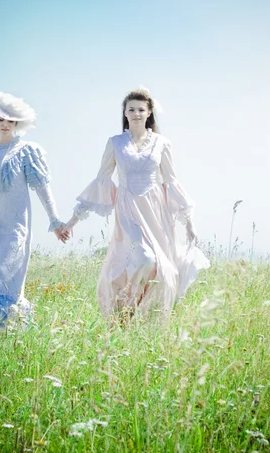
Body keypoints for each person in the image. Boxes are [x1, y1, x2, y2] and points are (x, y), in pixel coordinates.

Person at [64, 88, 210, 319]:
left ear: (149, 112)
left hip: (156, 212)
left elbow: (171, 182)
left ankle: (140, 314)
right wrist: (72, 221)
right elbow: (101, 181)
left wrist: (189, 222)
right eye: (131, 109)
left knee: (161, 269)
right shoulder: (115, 143)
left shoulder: (162, 143)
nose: (136, 113)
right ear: (125, 112)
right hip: (128, 210)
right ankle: (124, 307)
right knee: (143, 258)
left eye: (141, 109)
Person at [0, 91, 69, 327]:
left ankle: (10, 326)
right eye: (0, 119)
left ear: (17, 123)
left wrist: (55, 221)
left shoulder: (26, 151)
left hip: (17, 226)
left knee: (9, 275)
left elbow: (43, 188)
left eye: (10, 120)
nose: (5, 124)